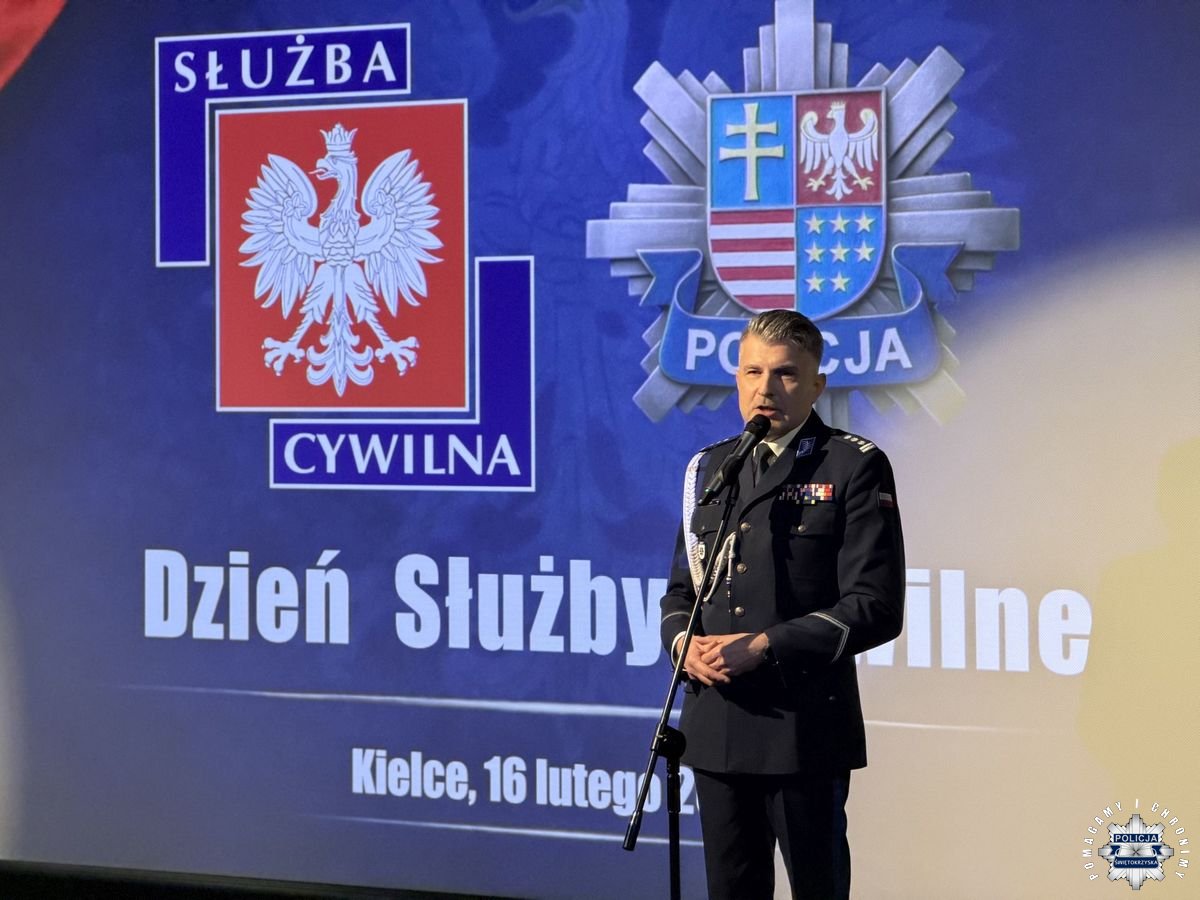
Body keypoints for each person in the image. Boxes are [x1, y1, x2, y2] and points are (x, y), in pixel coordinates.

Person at [659, 309, 905, 899]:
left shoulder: (852, 464)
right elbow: (681, 592)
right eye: (752, 372)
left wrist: (766, 645)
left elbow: (875, 605)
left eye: (785, 374)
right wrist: (682, 644)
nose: (765, 388)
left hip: (803, 731)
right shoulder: (710, 468)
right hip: (718, 727)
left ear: (817, 385)